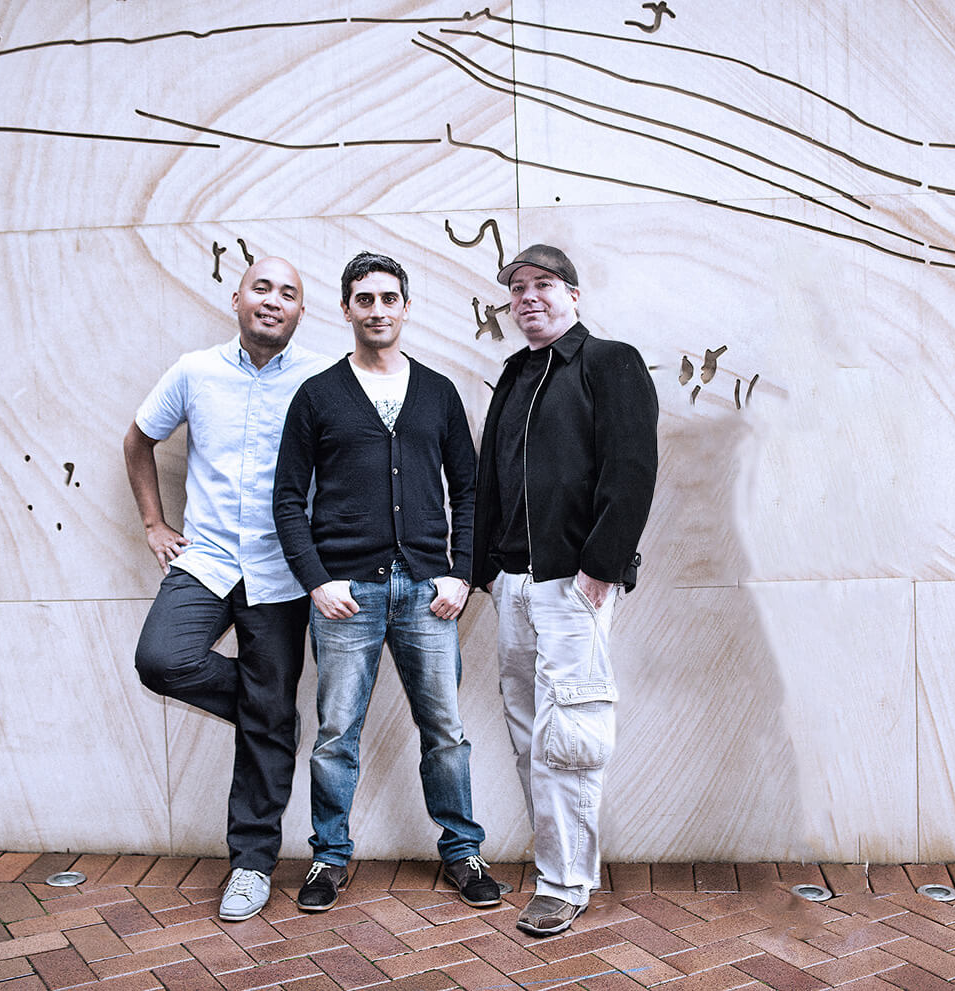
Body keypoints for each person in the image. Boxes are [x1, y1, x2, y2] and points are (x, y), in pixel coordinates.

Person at [273, 251, 500, 912]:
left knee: (445, 730)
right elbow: (287, 499)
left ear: (405, 306)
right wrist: (317, 581)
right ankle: (328, 857)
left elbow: (469, 490)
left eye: (388, 298)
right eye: (364, 299)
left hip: (428, 594)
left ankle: (462, 851)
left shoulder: (437, 392)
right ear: (346, 308)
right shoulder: (318, 395)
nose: (377, 310)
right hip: (347, 595)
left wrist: (461, 574)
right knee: (335, 734)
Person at [124, 257, 330, 923]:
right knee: (162, 659)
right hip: (207, 559)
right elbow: (138, 440)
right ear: (236, 297)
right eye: (261, 287)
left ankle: (251, 864)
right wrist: (154, 523)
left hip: (282, 569)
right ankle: (270, 711)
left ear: (301, 311)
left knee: (267, 718)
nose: (272, 300)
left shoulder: (322, 378)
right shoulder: (194, 371)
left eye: (287, 293)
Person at [471, 244, 658, 937]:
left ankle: (564, 883)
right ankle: (559, 862)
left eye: (543, 284)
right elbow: (491, 479)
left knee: (569, 735)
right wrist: (486, 570)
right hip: (513, 584)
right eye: (517, 287)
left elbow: (631, 468)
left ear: (572, 295)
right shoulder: (514, 373)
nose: (528, 297)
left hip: (572, 584)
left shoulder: (609, 362)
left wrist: (600, 568)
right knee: (528, 735)